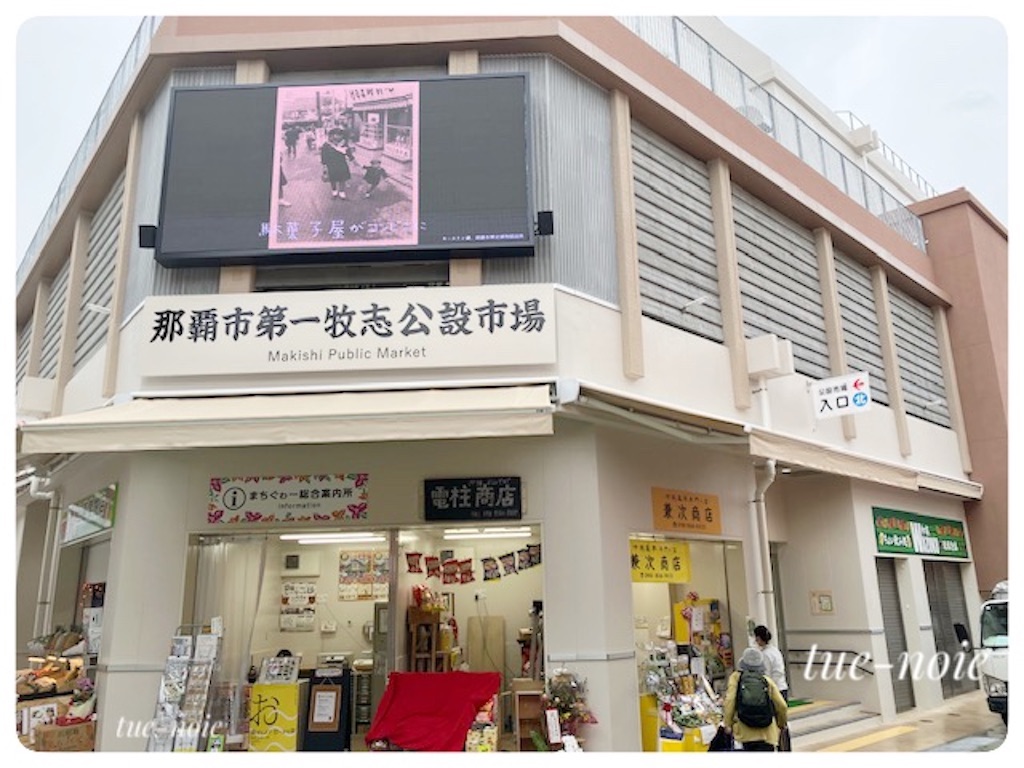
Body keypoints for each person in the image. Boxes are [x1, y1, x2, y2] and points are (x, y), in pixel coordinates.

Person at [723, 646, 788, 751]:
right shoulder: (766, 680)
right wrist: (781, 723)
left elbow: (729, 701)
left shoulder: (735, 678)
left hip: (744, 734)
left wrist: (728, 724)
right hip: (766, 735)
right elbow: (782, 706)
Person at [754, 625, 789, 701]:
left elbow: (766, 675)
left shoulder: (765, 654)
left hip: (774, 690)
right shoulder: (775, 650)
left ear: (758, 638)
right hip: (782, 687)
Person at [320, 128, 352, 199]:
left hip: (341, 163)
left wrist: (352, 159)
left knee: (342, 178)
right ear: (333, 135)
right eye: (337, 135)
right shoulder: (327, 145)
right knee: (332, 178)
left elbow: (349, 153)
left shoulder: (344, 144)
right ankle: (334, 191)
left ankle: (341, 191)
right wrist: (324, 165)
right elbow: (323, 155)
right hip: (331, 164)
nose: (339, 136)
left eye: (340, 135)